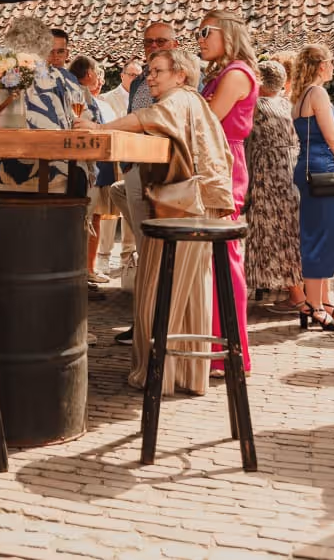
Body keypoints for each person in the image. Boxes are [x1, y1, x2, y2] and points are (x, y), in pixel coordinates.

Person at [74, 49, 234, 394]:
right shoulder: (194, 103)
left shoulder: (178, 100)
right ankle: (187, 373)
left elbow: (146, 118)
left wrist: (99, 128)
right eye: (149, 71)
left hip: (186, 207)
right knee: (189, 290)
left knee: (161, 284)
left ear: (181, 75)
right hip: (203, 205)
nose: (150, 77)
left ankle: (158, 372)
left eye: (157, 71)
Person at [109, 21, 180, 345]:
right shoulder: (139, 79)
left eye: (161, 41)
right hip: (138, 169)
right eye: (149, 41)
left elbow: (146, 122)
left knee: (163, 250)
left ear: (175, 44)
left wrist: (99, 128)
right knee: (143, 246)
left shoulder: (182, 83)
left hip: (166, 175)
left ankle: (161, 323)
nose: (153, 45)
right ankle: (144, 322)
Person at [196, 9, 258, 375]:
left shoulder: (235, 74)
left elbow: (206, 119)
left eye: (206, 31)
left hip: (225, 163)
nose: (200, 39)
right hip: (218, 161)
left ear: (228, 33)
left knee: (226, 255)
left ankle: (231, 352)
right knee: (216, 256)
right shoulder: (224, 72)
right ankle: (219, 348)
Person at [0, 17, 83, 192]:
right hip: (54, 178)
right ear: (45, 45)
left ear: (11, 44)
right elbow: (81, 124)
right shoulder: (62, 79)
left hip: (5, 178)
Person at [290, 45, 334, 331]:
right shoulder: (317, 93)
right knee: (321, 237)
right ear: (321, 66)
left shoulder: (300, 95)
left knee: (323, 235)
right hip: (320, 168)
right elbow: (331, 135)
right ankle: (316, 305)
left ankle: (324, 302)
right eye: (331, 62)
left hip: (310, 167)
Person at [245, 60, 305, 312]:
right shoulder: (287, 105)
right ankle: (299, 294)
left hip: (267, 177)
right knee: (291, 234)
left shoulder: (256, 107)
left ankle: (297, 297)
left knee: (275, 236)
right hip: (290, 173)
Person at [69, 55, 112, 286]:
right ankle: (81, 269)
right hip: (82, 166)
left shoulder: (89, 97)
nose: (98, 76)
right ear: (88, 74)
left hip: (92, 166)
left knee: (91, 217)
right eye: (96, 71)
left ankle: (86, 268)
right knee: (85, 217)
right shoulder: (80, 95)